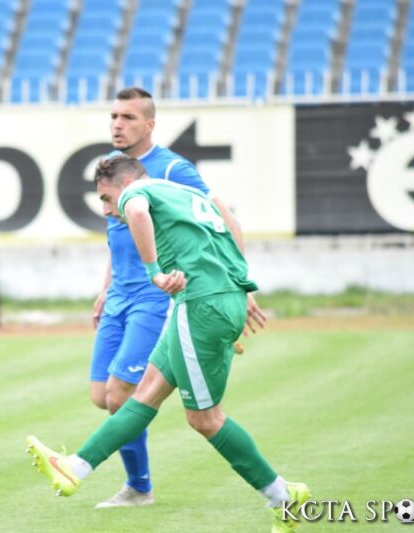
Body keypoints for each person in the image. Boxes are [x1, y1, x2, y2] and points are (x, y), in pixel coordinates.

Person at [28, 156, 310, 533]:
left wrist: (154, 273)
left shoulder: (137, 192)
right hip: (210, 300)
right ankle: (75, 468)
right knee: (145, 393)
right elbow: (230, 227)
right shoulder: (185, 192)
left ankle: (282, 496)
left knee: (205, 418)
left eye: (106, 198)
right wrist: (238, 293)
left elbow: (136, 211)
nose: (108, 210)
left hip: (200, 305)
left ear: (124, 183)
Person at [87, 87, 265, 508]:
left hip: (158, 294)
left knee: (120, 395)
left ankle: (138, 487)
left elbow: (225, 220)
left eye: (128, 117)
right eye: (114, 116)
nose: (117, 124)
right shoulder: (114, 168)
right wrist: (106, 286)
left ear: (150, 124)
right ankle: (140, 465)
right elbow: (119, 234)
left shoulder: (173, 169)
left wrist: (238, 283)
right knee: (101, 395)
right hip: (119, 295)